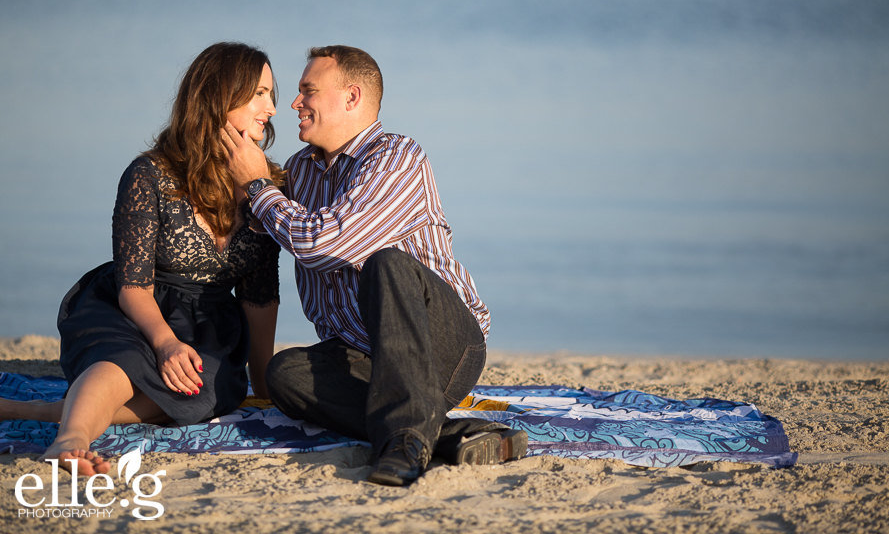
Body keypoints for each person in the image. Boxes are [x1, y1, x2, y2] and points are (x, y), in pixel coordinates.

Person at [221, 44, 527, 486]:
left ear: (351, 97)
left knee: (386, 264)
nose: (294, 103)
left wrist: (256, 184)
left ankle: (403, 448)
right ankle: (444, 436)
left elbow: (324, 243)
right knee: (285, 374)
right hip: (361, 354)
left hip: (441, 346)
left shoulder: (398, 157)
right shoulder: (299, 171)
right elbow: (258, 227)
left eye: (308, 91)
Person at [0, 42, 282, 476]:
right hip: (135, 307)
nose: (272, 108)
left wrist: (263, 388)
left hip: (210, 320)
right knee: (123, 362)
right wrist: (165, 342)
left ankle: (38, 410)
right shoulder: (150, 174)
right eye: (259, 94)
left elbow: (259, 298)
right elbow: (133, 286)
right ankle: (70, 439)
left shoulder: (270, 186)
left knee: (202, 393)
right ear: (218, 96)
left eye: (271, 94)